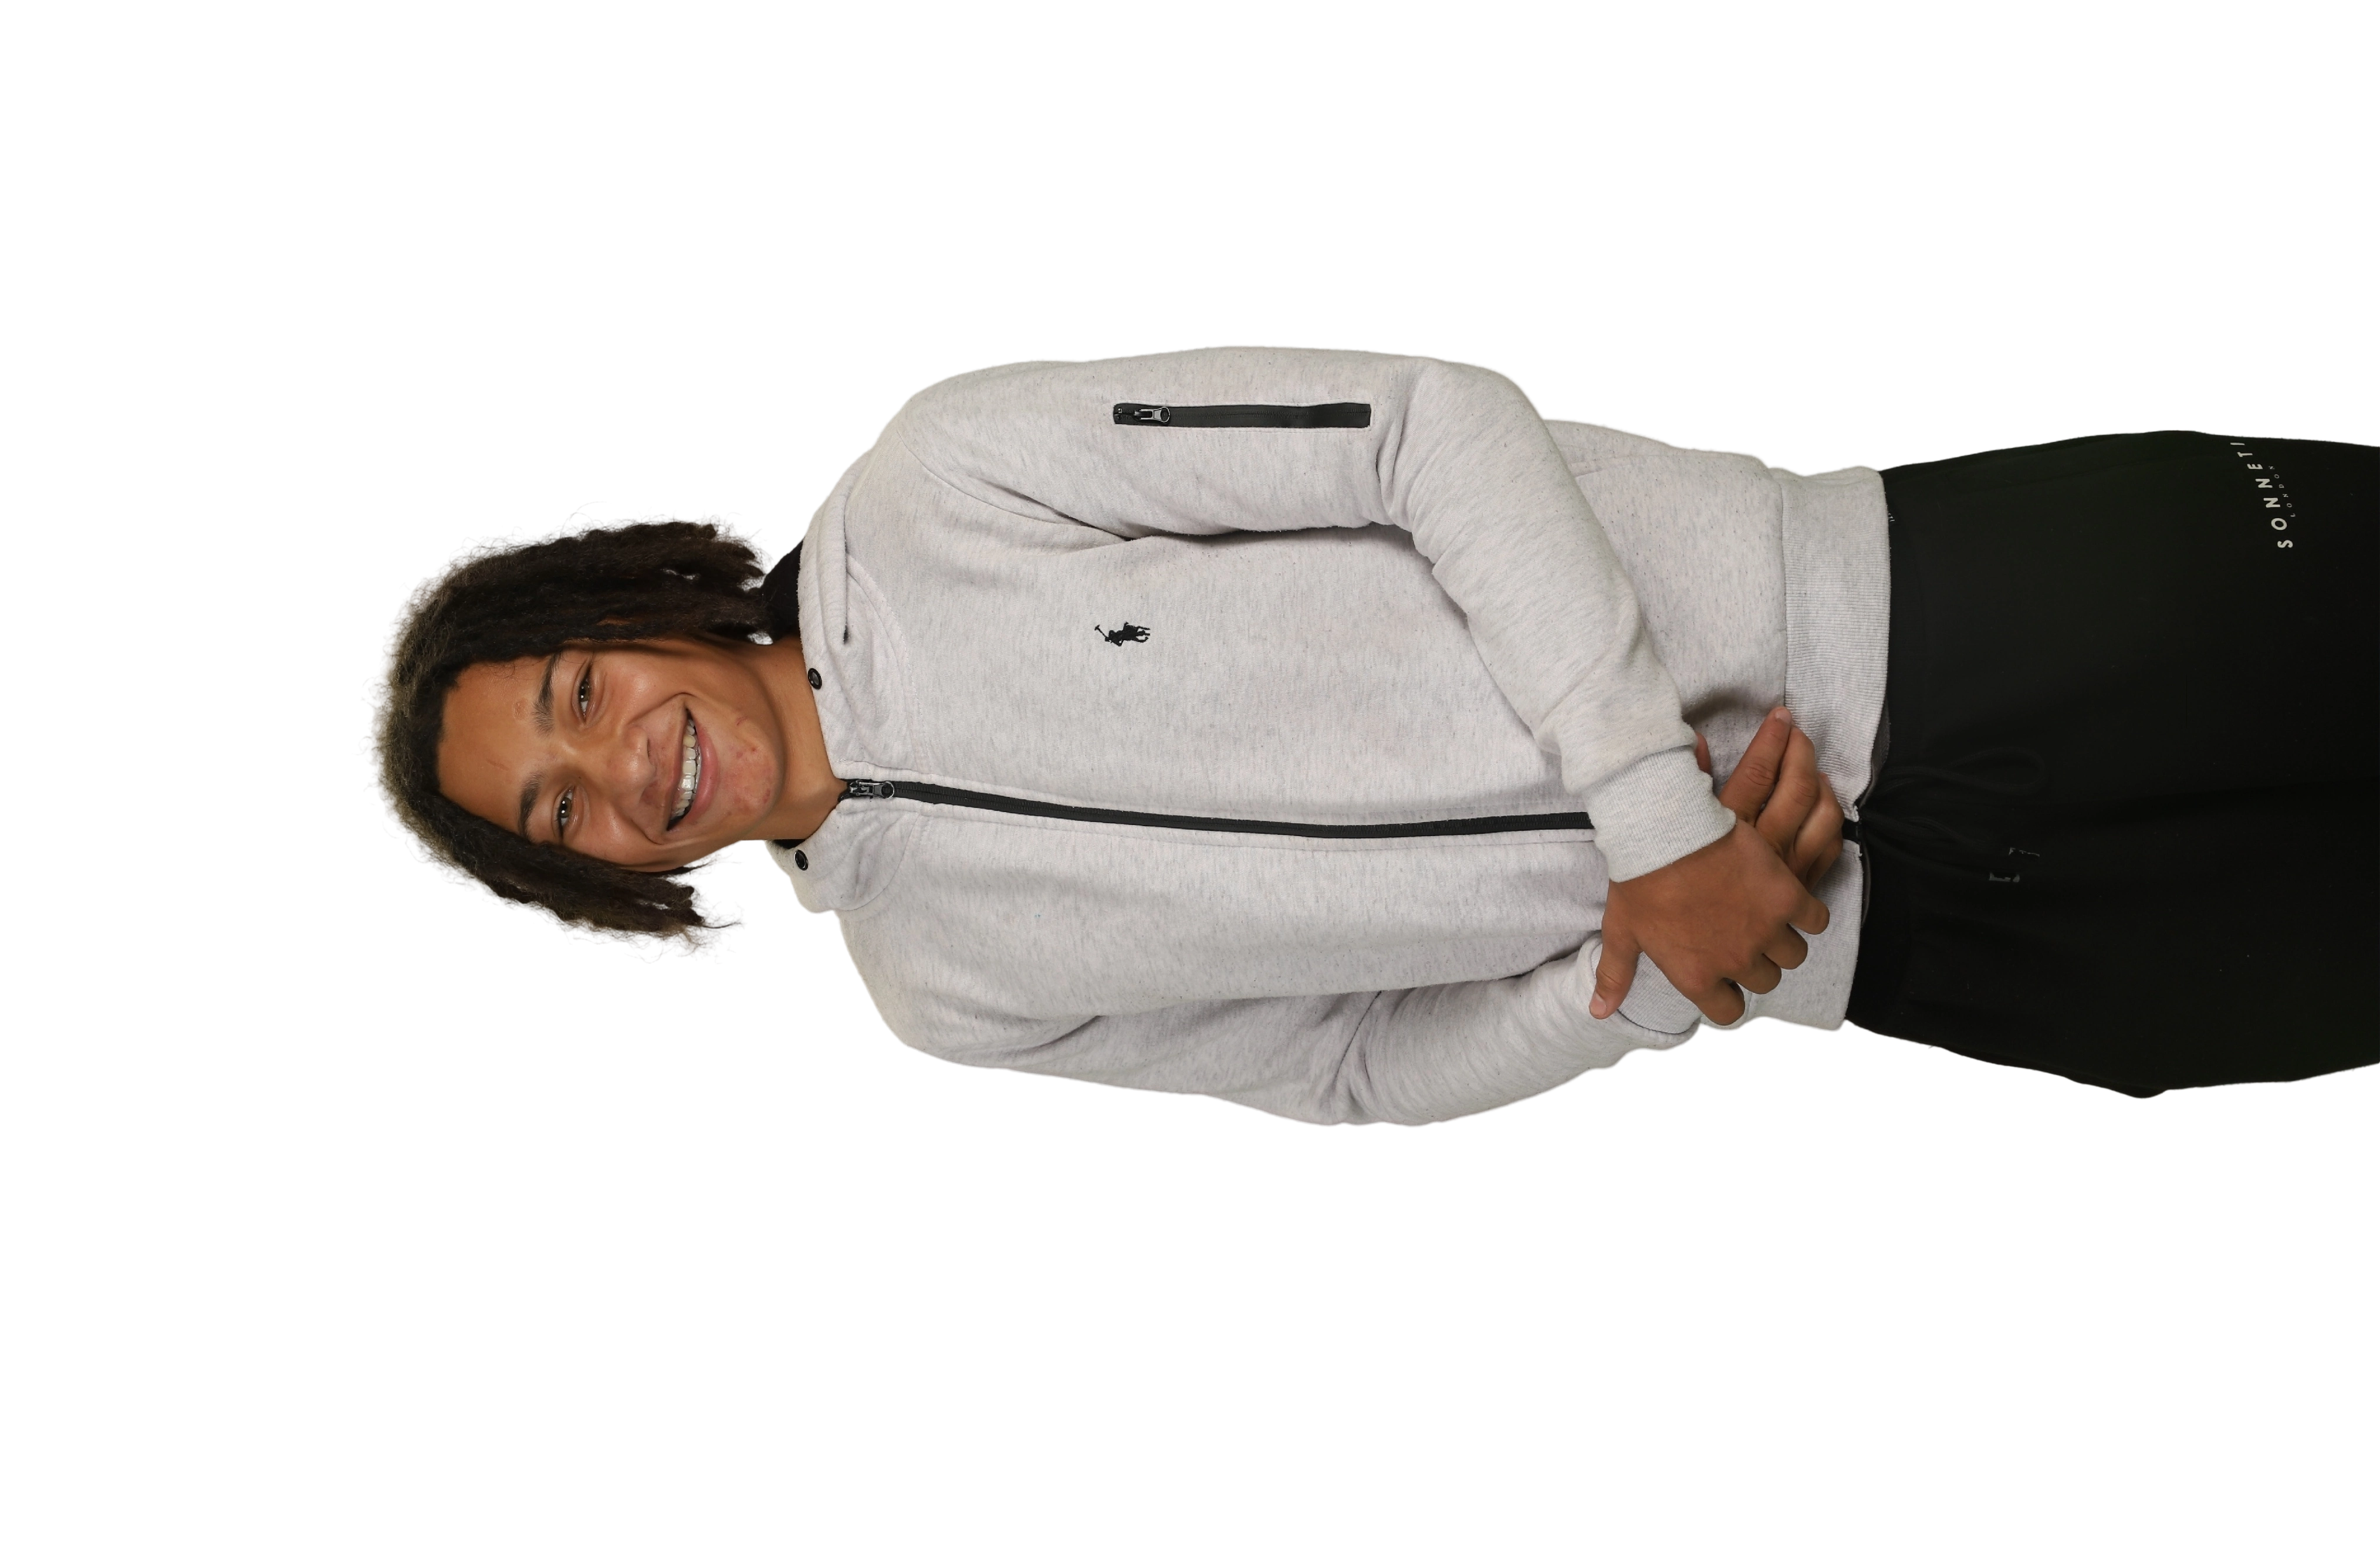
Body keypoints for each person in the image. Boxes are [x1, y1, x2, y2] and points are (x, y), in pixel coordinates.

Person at [357, 344, 2378, 1125]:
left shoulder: (938, 483)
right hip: (1918, 950)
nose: (621, 767)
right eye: (563, 812)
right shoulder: (939, 993)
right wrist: (1661, 973)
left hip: (1956, 618)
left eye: (578, 697)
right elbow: (1347, 1069)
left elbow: (1422, 428)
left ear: (628, 610)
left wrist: (1655, 817)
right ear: (599, 880)